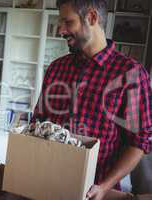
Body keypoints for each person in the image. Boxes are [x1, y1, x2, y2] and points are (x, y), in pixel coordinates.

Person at [30, 0, 152, 200]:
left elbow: (139, 142)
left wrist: (103, 187)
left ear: (92, 18)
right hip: (47, 180)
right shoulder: (56, 68)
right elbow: (38, 121)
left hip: (96, 189)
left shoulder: (131, 74)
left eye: (68, 22)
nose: (61, 30)